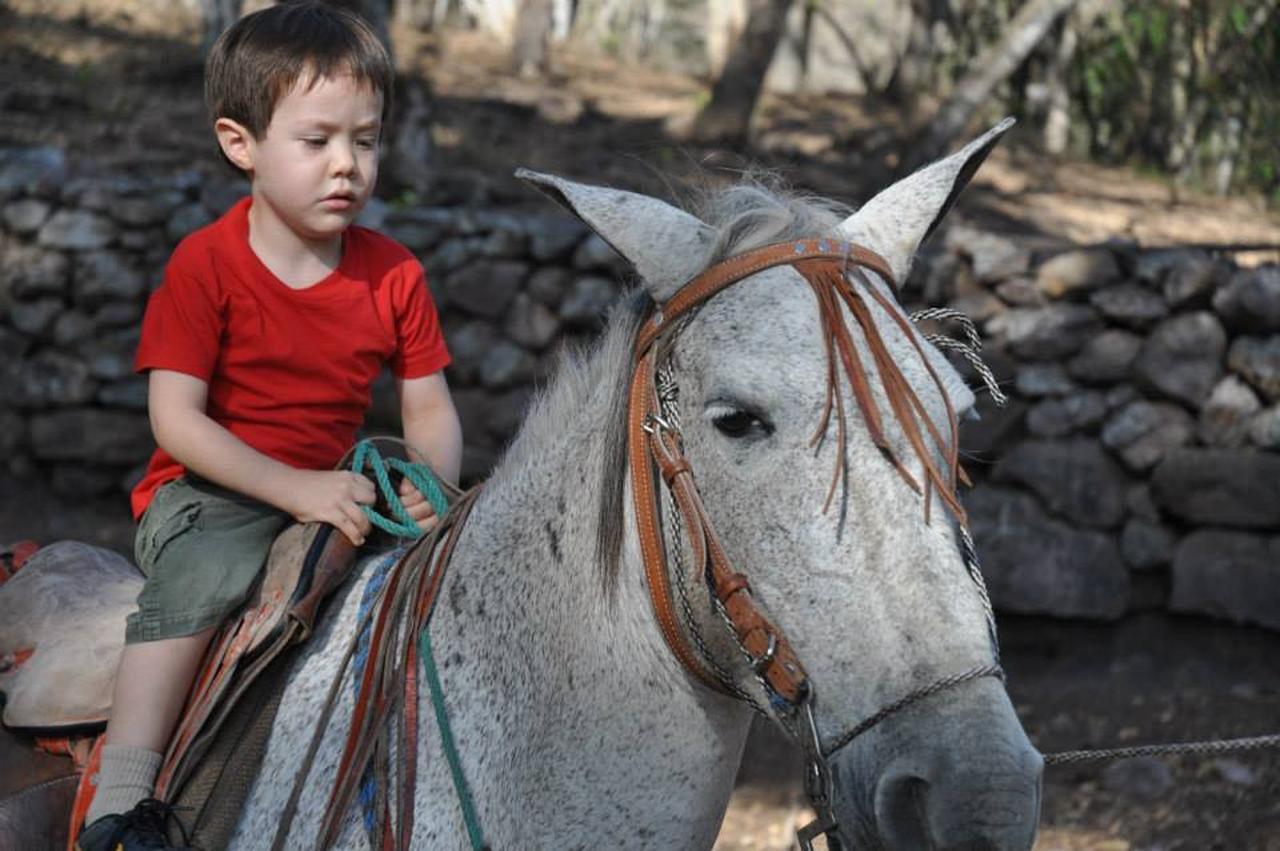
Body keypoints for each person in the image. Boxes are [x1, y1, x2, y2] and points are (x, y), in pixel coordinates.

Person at [77, 4, 463, 849]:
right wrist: (293, 487)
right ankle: (123, 794)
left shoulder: (394, 273)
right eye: (317, 139)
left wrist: (429, 483)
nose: (347, 166)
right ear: (239, 142)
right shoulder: (206, 265)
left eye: (366, 140)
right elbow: (176, 420)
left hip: (337, 486)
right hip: (209, 494)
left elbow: (428, 404)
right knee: (212, 573)